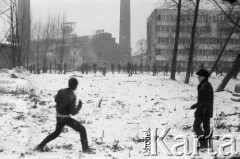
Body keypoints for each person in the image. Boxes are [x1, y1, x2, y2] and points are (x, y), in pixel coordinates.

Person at [36, 78, 95, 153]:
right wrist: (79, 106)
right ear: (76, 86)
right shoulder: (72, 96)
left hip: (58, 116)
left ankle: (40, 145)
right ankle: (85, 149)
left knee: (56, 133)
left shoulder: (61, 91)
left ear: (69, 84)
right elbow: (73, 112)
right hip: (65, 118)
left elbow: (56, 100)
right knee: (82, 129)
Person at [190, 69, 213, 149]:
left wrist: (199, 109)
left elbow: (204, 101)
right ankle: (207, 143)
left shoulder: (205, 86)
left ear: (204, 76)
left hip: (203, 110)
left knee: (196, 126)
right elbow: (203, 100)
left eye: (199, 76)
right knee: (206, 127)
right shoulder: (205, 85)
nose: (198, 77)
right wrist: (195, 105)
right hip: (207, 110)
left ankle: (203, 143)